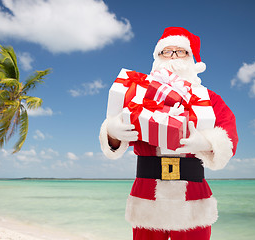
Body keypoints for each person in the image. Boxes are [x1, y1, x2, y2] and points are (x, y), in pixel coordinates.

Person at [99, 27, 238, 240]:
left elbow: (229, 138)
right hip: (147, 194)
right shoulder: (136, 94)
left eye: (180, 51)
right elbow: (114, 138)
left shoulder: (210, 99)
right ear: (157, 57)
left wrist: (206, 142)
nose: (173, 56)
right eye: (166, 51)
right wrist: (112, 132)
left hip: (192, 198)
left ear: (192, 59)